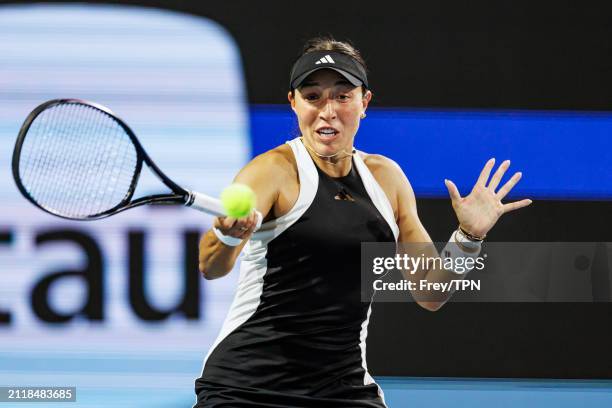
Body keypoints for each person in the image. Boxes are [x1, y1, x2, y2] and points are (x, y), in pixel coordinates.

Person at [194, 37, 532, 407]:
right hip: (247, 387)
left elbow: (431, 293)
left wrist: (468, 237)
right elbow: (210, 266)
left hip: (343, 387)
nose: (328, 110)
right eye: (313, 96)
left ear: (364, 102)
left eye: (342, 96)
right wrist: (227, 238)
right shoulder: (271, 171)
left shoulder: (386, 179)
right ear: (294, 103)